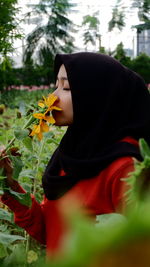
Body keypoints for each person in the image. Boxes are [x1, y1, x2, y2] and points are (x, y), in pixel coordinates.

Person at [1, 52, 150, 258]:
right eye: (56, 85)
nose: (53, 97)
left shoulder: (126, 168)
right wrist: (9, 184)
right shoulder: (73, 153)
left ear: (98, 96)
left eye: (67, 87)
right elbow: (49, 229)